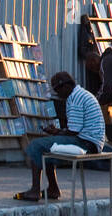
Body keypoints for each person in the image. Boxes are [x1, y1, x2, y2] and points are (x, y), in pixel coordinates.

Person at [15, 71, 105, 201]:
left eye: (58, 90)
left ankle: (35, 190)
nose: (58, 94)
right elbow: (74, 128)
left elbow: (74, 131)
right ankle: (53, 188)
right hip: (90, 141)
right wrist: (57, 132)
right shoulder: (80, 94)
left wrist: (57, 132)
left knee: (36, 145)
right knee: (46, 147)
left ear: (66, 86)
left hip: (86, 143)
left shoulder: (75, 98)